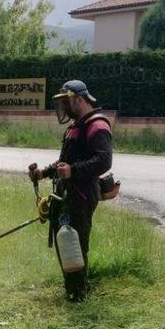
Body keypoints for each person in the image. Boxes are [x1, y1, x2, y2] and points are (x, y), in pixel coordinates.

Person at [28, 80, 113, 302]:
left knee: (75, 243)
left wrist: (73, 171)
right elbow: (64, 162)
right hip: (66, 194)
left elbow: (104, 161)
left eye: (67, 102)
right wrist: (43, 173)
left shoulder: (97, 125)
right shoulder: (75, 127)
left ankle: (77, 296)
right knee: (64, 241)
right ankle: (71, 288)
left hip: (82, 195)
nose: (64, 108)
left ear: (80, 99)